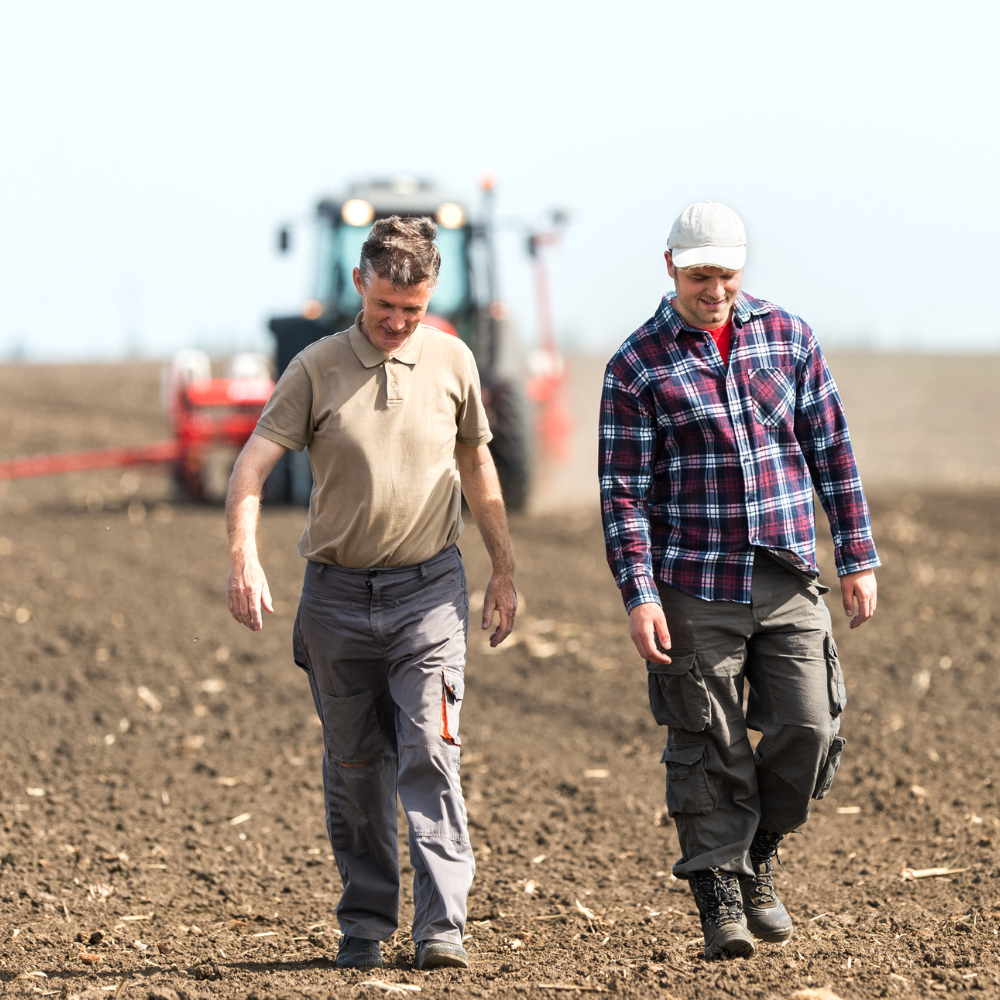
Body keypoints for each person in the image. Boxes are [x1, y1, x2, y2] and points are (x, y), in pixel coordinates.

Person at [225, 216, 517, 972]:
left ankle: (441, 928)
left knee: (431, 752)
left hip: (429, 594)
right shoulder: (314, 367)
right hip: (336, 599)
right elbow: (252, 467)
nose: (396, 322)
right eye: (384, 305)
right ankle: (364, 922)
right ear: (360, 283)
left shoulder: (453, 359)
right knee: (355, 768)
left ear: (431, 297)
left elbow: (478, 466)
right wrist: (244, 559)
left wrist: (503, 568)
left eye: (412, 310)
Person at [598, 201, 879, 961]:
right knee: (708, 740)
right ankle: (719, 893)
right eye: (698, 275)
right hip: (694, 580)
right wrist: (640, 594)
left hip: (787, 574)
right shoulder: (636, 364)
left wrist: (856, 555)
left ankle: (757, 851)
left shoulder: (788, 337)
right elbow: (622, 495)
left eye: (725, 273)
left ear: (741, 266)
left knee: (809, 727)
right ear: (670, 267)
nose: (713, 289)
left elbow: (832, 450)